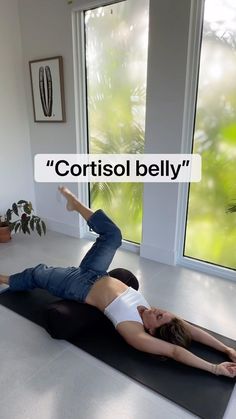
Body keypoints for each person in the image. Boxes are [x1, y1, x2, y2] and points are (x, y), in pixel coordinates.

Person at [0, 187, 236, 378]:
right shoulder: (159, 318)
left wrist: (215, 368)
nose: (160, 310)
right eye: (166, 313)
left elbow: (175, 351)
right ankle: (75, 204)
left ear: (153, 330)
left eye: (160, 316)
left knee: (37, 273)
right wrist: (225, 349)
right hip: (97, 272)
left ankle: (4, 279)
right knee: (113, 235)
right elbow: (192, 331)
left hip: (77, 286)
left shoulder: (135, 331)